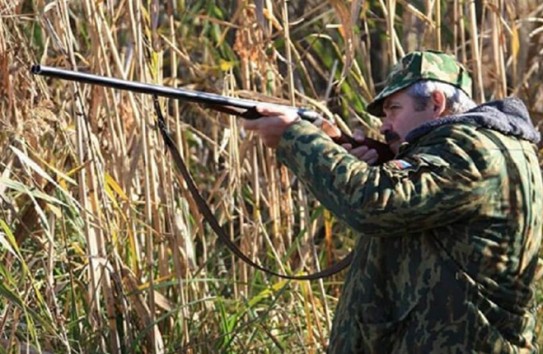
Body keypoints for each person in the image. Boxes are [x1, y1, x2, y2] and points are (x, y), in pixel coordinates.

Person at [242, 50, 543, 353]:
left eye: (394, 109)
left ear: (436, 103)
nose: (385, 126)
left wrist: (297, 138)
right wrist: (368, 164)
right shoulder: (490, 147)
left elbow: (374, 202)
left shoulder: (471, 150)